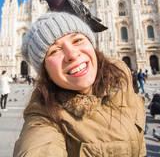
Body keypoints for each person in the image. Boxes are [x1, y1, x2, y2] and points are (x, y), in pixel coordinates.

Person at [13, 12, 146, 157]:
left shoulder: (120, 79)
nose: (72, 54)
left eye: (77, 40)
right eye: (54, 51)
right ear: (46, 73)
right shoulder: (45, 117)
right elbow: (38, 145)